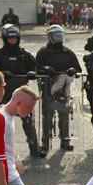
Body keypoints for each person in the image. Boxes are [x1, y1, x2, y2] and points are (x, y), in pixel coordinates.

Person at [0, 24, 44, 158]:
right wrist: (0, 73)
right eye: (9, 38)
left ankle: (34, 148)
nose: (12, 40)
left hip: (21, 94)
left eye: (14, 38)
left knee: (28, 121)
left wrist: (32, 73)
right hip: (2, 95)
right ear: (4, 38)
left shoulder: (24, 55)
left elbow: (36, 68)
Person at [35, 24, 82, 152]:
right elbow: (36, 68)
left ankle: (65, 140)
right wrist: (45, 69)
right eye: (56, 35)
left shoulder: (68, 52)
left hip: (64, 89)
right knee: (48, 116)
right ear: (50, 37)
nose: (59, 38)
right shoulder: (43, 52)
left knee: (64, 115)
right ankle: (45, 143)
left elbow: (78, 69)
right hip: (48, 88)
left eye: (60, 35)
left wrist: (73, 70)